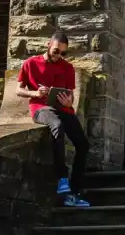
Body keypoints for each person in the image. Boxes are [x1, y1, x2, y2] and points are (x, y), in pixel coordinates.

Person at [14, 30, 90, 207]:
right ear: (49, 45)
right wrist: (35, 92)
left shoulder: (68, 68)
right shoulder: (31, 63)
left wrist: (69, 101)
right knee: (56, 125)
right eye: (56, 51)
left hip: (63, 108)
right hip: (41, 108)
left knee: (83, 145)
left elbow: (71, 96)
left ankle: (75, 193)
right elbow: (18, 90)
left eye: (63, 53)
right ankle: (62, 178)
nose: (59, 56)